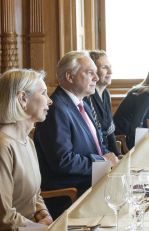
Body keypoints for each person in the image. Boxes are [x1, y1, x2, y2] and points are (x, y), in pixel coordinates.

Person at [34, 51, 119, 218]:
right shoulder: (56, 109)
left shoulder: (82, 103)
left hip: (91, 184)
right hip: (70, 195)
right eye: (89, 72)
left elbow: (96, 144)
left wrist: (112, 158)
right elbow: (63, 161)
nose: (96, 77)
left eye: (95, 72)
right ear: (70, 76)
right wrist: (102, 161)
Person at [0, 69, 53, 229]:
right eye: (43, 93)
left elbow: (34, 196)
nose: (49, 101)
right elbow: (4, 217)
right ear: (23, 99)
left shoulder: (27, 141)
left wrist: (46, 217)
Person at [113, 62, 149, 150]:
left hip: (126, 134)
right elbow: (135, 125)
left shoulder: (147, 91)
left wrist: (146, 140)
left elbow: (143, 120)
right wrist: (138, 149)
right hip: (122, 138)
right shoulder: (148, 94)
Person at [83, 50, 121, 156]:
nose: (110, 71)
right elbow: (93, 136)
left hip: (107, 152)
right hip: (97, 155)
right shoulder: (86, 96)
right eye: (104, 67)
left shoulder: (106, 93)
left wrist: (118, 156)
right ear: (93, 71)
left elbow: (110, 132)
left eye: (110, 66)